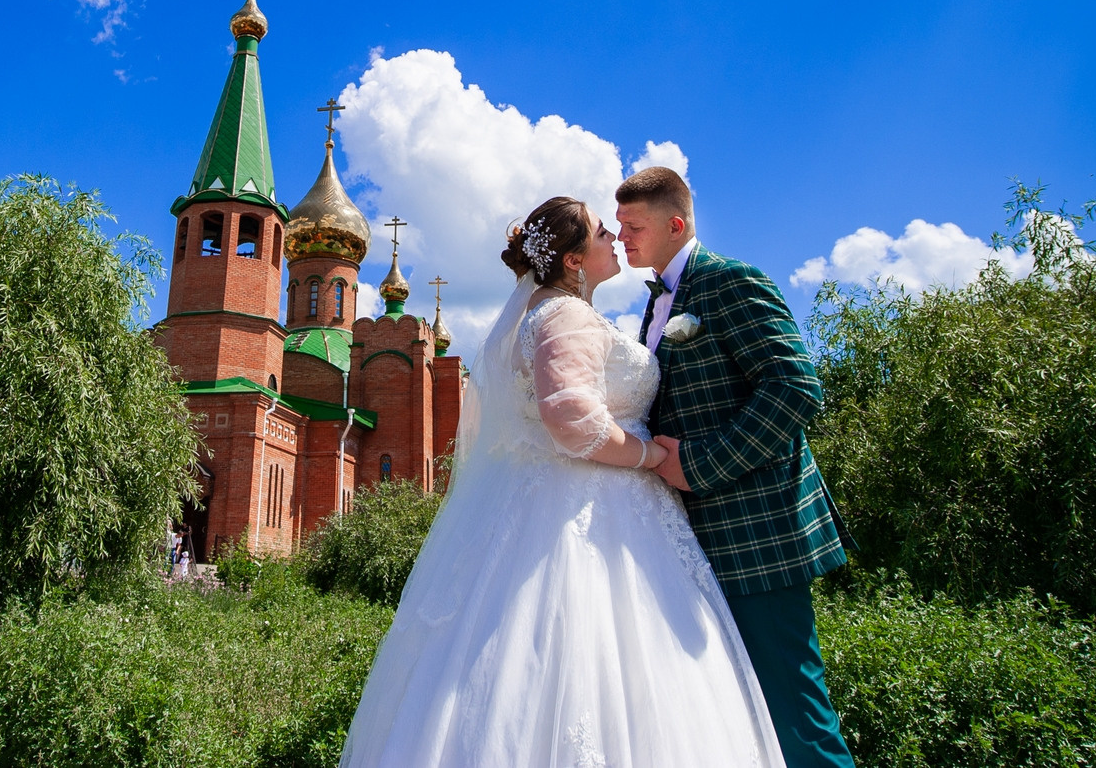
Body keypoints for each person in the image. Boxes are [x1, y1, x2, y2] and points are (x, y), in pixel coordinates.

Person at [339, 197, 784, 768]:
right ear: (575, 259)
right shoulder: (565, 315)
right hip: (594, 513)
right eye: (603, 231)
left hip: (565, 502)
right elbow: (572, 419)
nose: (614, 239)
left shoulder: (544, 313)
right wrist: (649, 456)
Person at [617, 165, 854, 768]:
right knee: (734, 717)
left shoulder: (730, 281)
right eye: (617, 226)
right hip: (691, 543)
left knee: (793, 715)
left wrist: (698, 465)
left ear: (676, 224)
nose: (622, 237)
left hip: (757, 535)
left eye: (634, 225)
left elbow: (794, 387)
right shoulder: (655, 307)